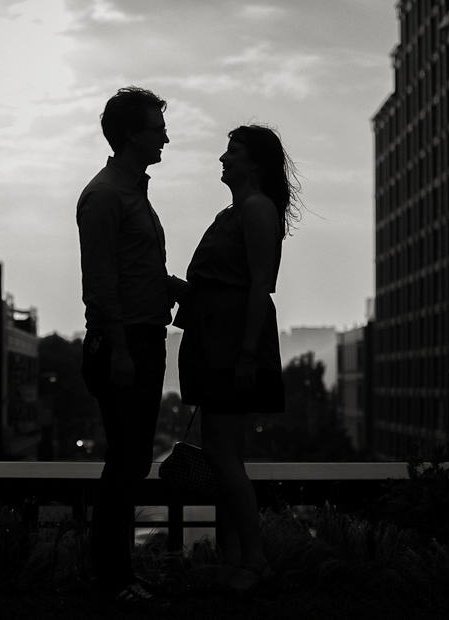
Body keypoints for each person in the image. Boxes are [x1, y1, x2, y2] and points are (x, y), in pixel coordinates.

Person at [175, 124, 300, 593]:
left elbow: (258, 286)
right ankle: (234, 557)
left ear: (255, 163)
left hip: (231, 346)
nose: (223, 157)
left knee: (225, 457)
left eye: (233, 151)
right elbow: (224, 285)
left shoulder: (256, 209)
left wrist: (247, 353)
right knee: (220, 456)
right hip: (215, 341)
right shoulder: (235, 211)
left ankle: (253, 558)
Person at [76, 86, 186, 606]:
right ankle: (113, 577)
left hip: (143, 339)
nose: (165, 135)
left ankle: (116, 574)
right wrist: (119, 351)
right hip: (124, 345)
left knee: (132, 458)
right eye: (157, 126)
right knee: (125, 462)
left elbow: (134, 270)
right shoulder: (104, 197)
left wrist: (173, 288)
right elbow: (100, 285)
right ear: (132, 135)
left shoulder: (132, 192)